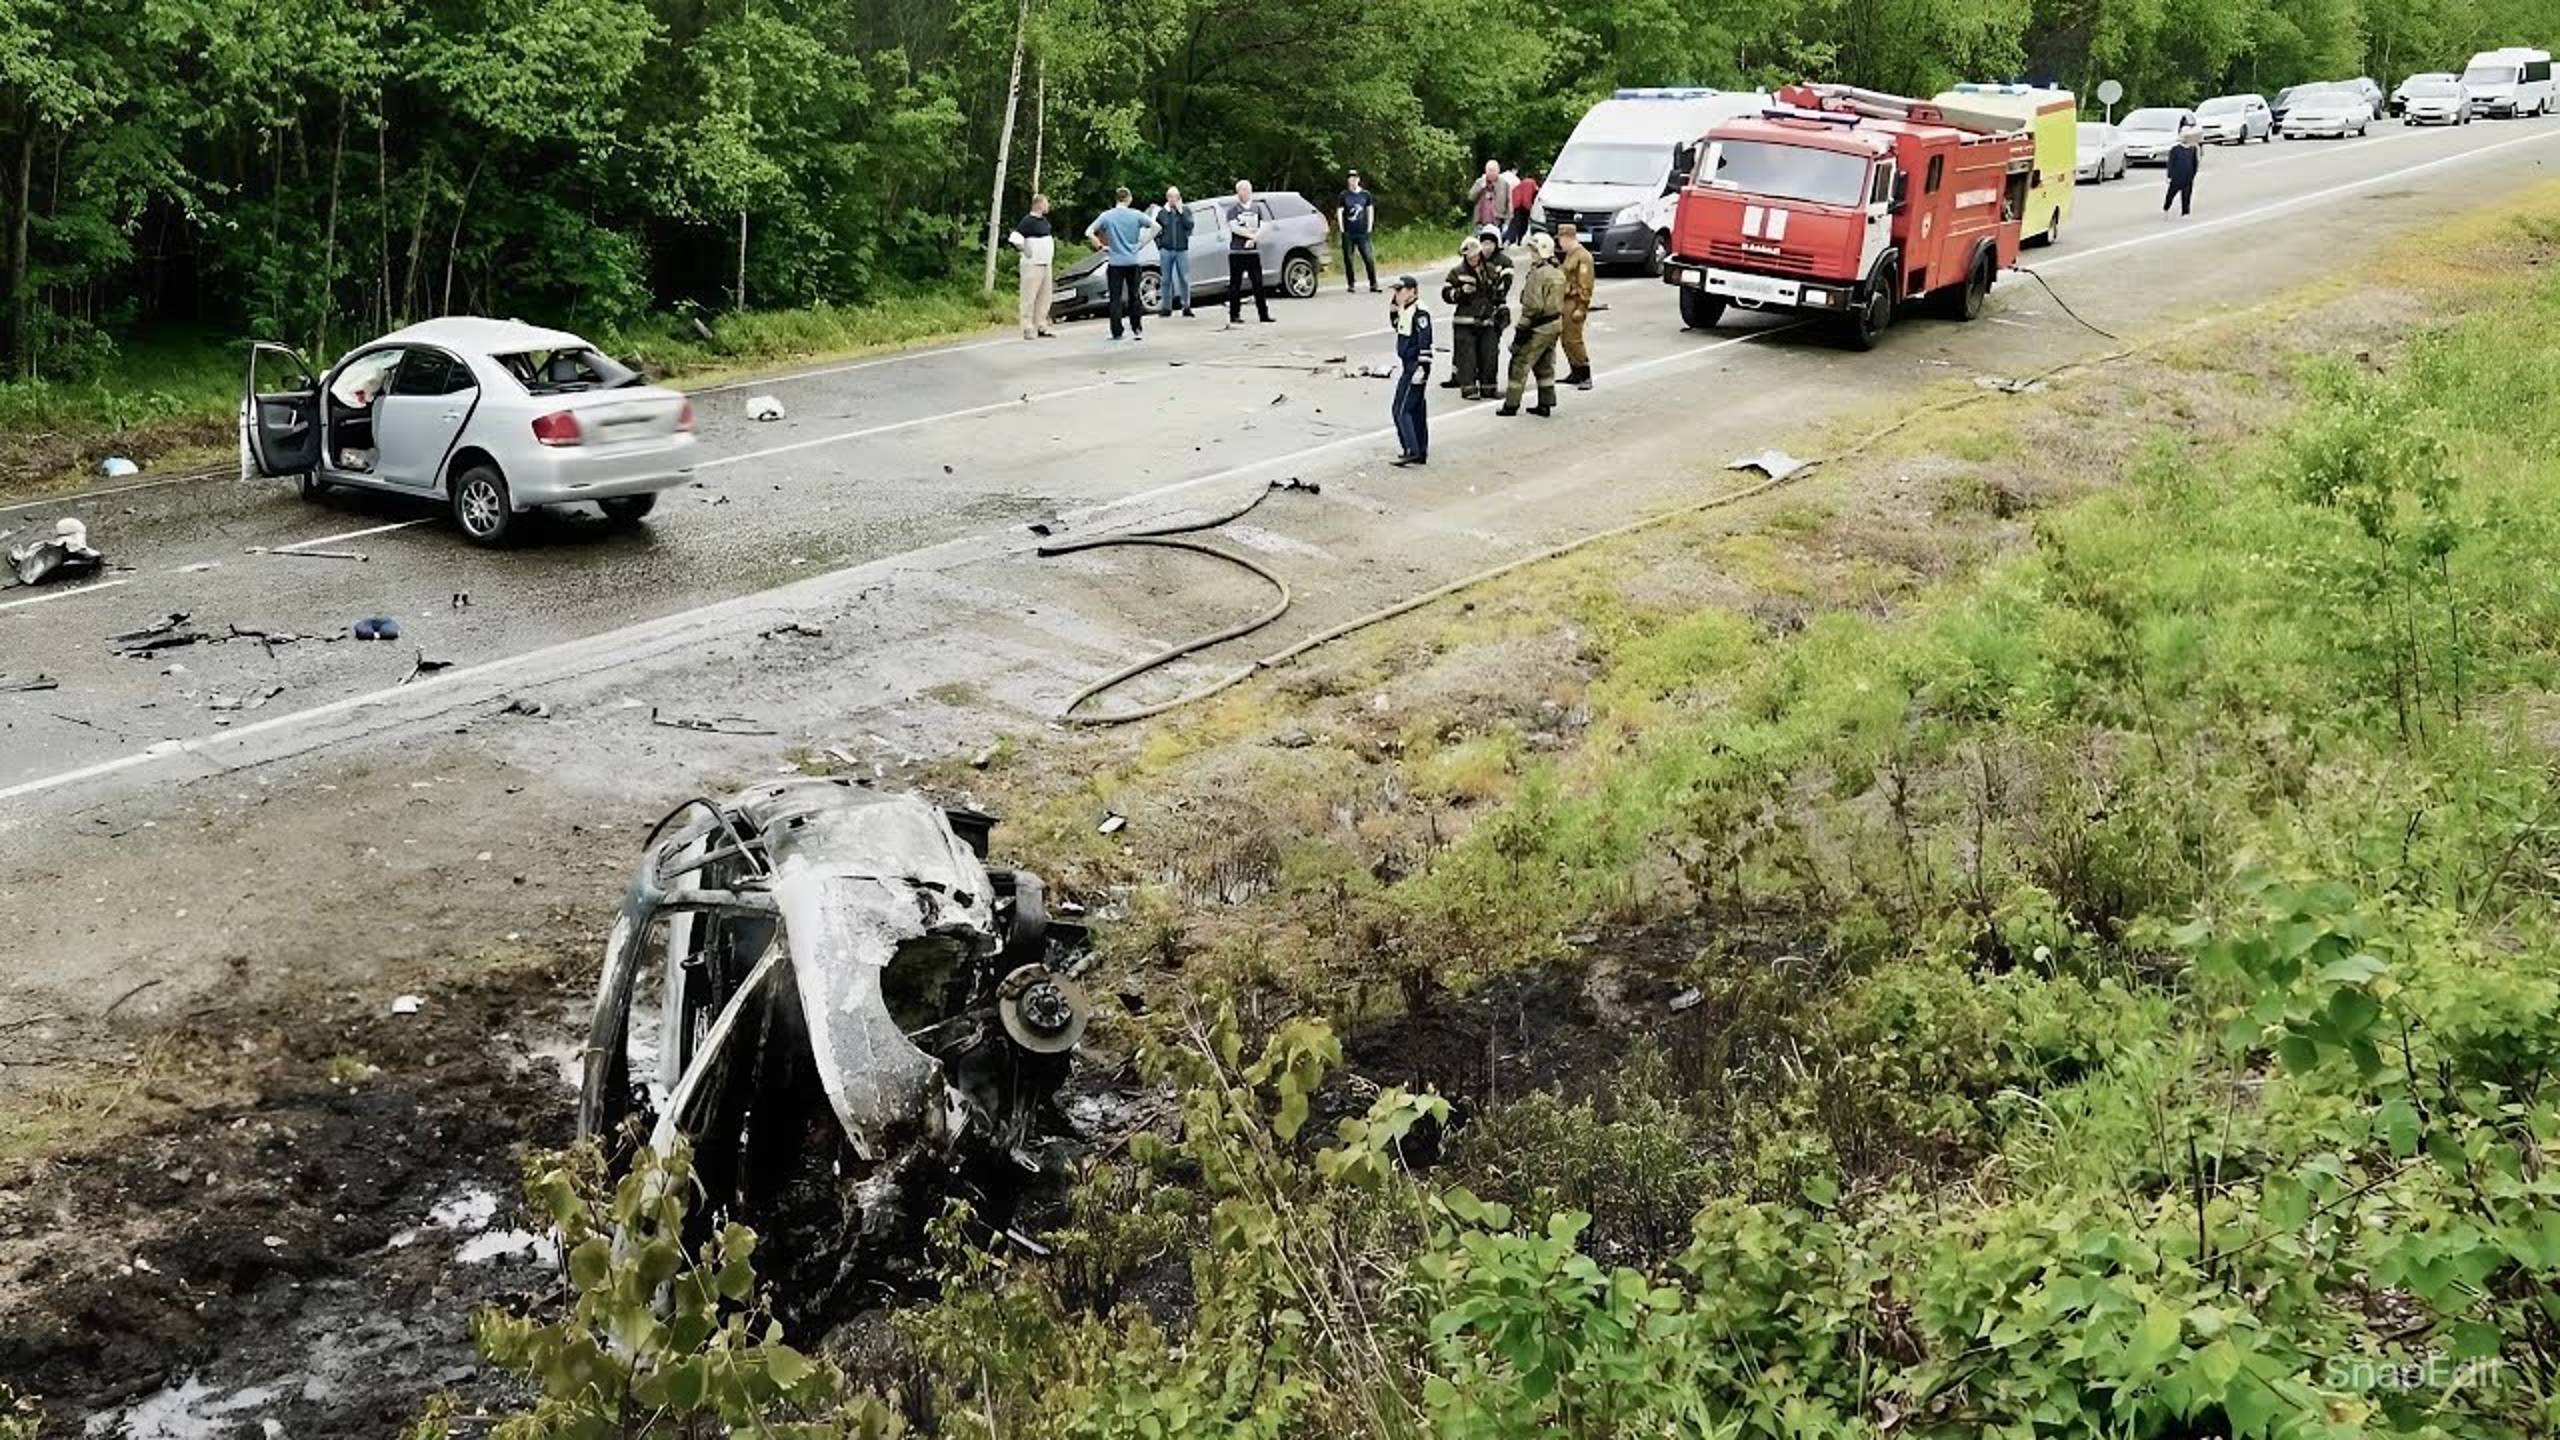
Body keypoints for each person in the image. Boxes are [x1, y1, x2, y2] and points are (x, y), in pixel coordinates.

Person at [1499, 232, 1563, 417]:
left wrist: (1521, 330)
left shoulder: (1538, 274)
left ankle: (1511, 405)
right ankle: (1546, 403)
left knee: (1519, 362)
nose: (1532, 254)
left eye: (1534, 251)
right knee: (1545, 364)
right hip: (1554, 324)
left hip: (1538, 326)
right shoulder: (1557, 272)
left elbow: (1533, 306)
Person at [1085, 187, 1159, 341]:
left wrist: (1100, 245)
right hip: (1132, 260)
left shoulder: (1107, 216)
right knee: (1134, 295)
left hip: (1115, 261)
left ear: (1116, 199)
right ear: (1129, 198)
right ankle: (1136, 327)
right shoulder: (1136, 214)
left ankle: (1116, 330)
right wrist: (1141, 244)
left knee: (1115, 298)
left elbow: (1089, 231)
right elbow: (1157, 227)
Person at [1439, 234, 1500, 401]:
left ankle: (1489, 388)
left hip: (1487, 322)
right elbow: (1446, 294)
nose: (1473, 259)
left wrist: (1500, 310)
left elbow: (1497, 295)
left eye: (1476, 255)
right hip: (1465, 322)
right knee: (1467, 357)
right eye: (1470, 256)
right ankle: (1469, 389)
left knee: (1489, 356)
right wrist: (1459, 293)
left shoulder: (1491, 271)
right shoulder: (1457, 273)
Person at [1387, 275, 1432, 466]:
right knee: (1415, 410)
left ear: (1412, 291)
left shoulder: (1420, 313)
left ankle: (1411, 449)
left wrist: (1422, 368)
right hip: (1408, 365)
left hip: (1415, 366)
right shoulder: (1406, 310)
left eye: (1401, 290)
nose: (1397, 294)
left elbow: (1425, 340)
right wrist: (1393, 311)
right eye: (1396, 291)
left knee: (1401, 409)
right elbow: (1399, 327)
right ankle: (1420, 450)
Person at [1006, 194, 1059, 339]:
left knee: (1045, 296)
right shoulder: (1028, 221)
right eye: (1046, 203)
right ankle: (1028, 327)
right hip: (1033, 264)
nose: (1048, 206)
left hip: (1045, 263)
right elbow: (1015, 237)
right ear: (1039, 205)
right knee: (1029, 297)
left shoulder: (1044, 221)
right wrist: (1024, 249)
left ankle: (1041, 324)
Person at [1225, 180, 1274, 324]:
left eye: (1247, 190)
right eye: (1242, 190)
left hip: (1253, 252)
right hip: (1237, 252)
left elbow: (1265, 226)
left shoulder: (1257, 208)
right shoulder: (1233, 210)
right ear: (1237, 192)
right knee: (1235, 284)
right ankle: (1234, 315)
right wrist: (1250, 236)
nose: (1245, 193)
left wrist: (1255, 239)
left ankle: (1263, 314)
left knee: (1258, 283)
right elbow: (1234, 228)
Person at [1555, 221, 1596, 390]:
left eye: (1561, 239)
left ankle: (1585, 374)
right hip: (1565, 302)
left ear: (1568, 238)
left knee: (1574, 339)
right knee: (1565, 339)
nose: (1559, 243)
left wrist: (1582, 307)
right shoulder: (1570, 254)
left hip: (1574, 302)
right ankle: (1575, 371)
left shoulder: (1583, 256)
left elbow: (1586, 284)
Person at [1156, 187, 1196, 317]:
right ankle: (1166, 307)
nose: (1173, 200)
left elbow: (1189, 225)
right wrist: (1160, 246)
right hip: (1166, 250)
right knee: (1166, 279)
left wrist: (1181, 212)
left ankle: (1186, 306)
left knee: (1184, 278)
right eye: (1171, 197)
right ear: (1167, 198)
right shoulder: (1162, 213)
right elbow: (1157, 230)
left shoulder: (1185, 210)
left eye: (1176, 197)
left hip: (1181, 249)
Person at [1337, 171, 1379, 293]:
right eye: (1350, 178)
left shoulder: (1365, 195)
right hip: (1349, 232)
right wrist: (1342, 229)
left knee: (1368, 257)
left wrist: (1370, 227)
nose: (1353, 180)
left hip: (1362, 232)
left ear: (1358, 179)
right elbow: (1340, 211)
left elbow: (1370, 210)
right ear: (1348, 181)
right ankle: (1351, 283)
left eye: (1355, 178)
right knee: (1348, 259)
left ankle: (1373, 283)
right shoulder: (1344, 195)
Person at [2164, 128, 2201, 217]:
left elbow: (2195, 163)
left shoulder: (2193, 149)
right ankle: (2166, 207)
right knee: (2171, 194)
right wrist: (2169, 176)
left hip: (2188, 177)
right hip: (2176, 177)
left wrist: (2193, 174)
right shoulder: (2175, 149)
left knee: (2187, 195)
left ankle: (2185, 212)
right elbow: (2171, 163)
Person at [1470, 160, 1510, 235]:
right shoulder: (1479, 182)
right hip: (1480, 223)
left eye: (1493, 170)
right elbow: (1471, 197)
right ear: (1485, 171)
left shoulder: (1504, 184)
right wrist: (1481, 187)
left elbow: (1509, 204)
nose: (1491, 173)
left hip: (1498, 223)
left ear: (1498, 171)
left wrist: (1507, 223)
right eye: (1489, 170)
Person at [1506, 169, 1540, 244]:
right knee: (1522, 226)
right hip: (1524, 208)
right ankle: (1519, 241)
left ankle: (1509, 239)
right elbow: (1529, 196)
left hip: (1518, 207)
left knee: (1515, 223)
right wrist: (1530, 208)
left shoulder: (1522, 183)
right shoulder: (1531, 183)